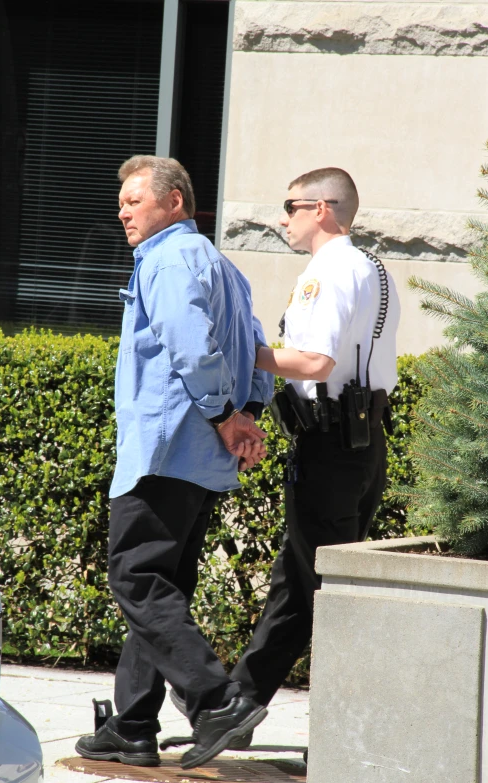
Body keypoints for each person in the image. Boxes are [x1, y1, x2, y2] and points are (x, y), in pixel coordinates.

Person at [187, 166, 401, 756]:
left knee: (319, 586)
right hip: (359, 444)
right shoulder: (374, 269)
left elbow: (313, 363)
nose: (283, 218)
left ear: (324, 210)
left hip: (330, 448)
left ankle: (327, 725)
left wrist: (246, 353)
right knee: (302, 582)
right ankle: (237, 704)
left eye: (291, 205)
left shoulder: (328, 273)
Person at [74, 155, 273, 770]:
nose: (122, 211)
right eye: (122, 202)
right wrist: (245, 415)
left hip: (164, 448)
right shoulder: (223, 265)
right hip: (199, 457)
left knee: (135, 579)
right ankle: (132, 726)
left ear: (174, 203)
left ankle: (215, 701)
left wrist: (223, 416)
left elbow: (189, 341)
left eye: (135, 200)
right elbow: (253, 345)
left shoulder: (165, 258)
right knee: (163, 587)